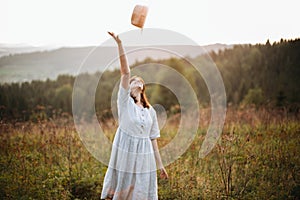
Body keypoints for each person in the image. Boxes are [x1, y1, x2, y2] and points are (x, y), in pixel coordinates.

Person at [101, 32, 168, 200]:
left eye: (140, 81)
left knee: (141, 192)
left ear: (143, 88)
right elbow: (125, 72)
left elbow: (153, 140)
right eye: (133, 81)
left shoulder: (150, 111)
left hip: (145, 157)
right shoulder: (125, 103)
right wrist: (120, 44)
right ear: (128, 87)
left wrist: (160, 166)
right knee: (124, 191)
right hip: (126, 152)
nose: (136, 81)